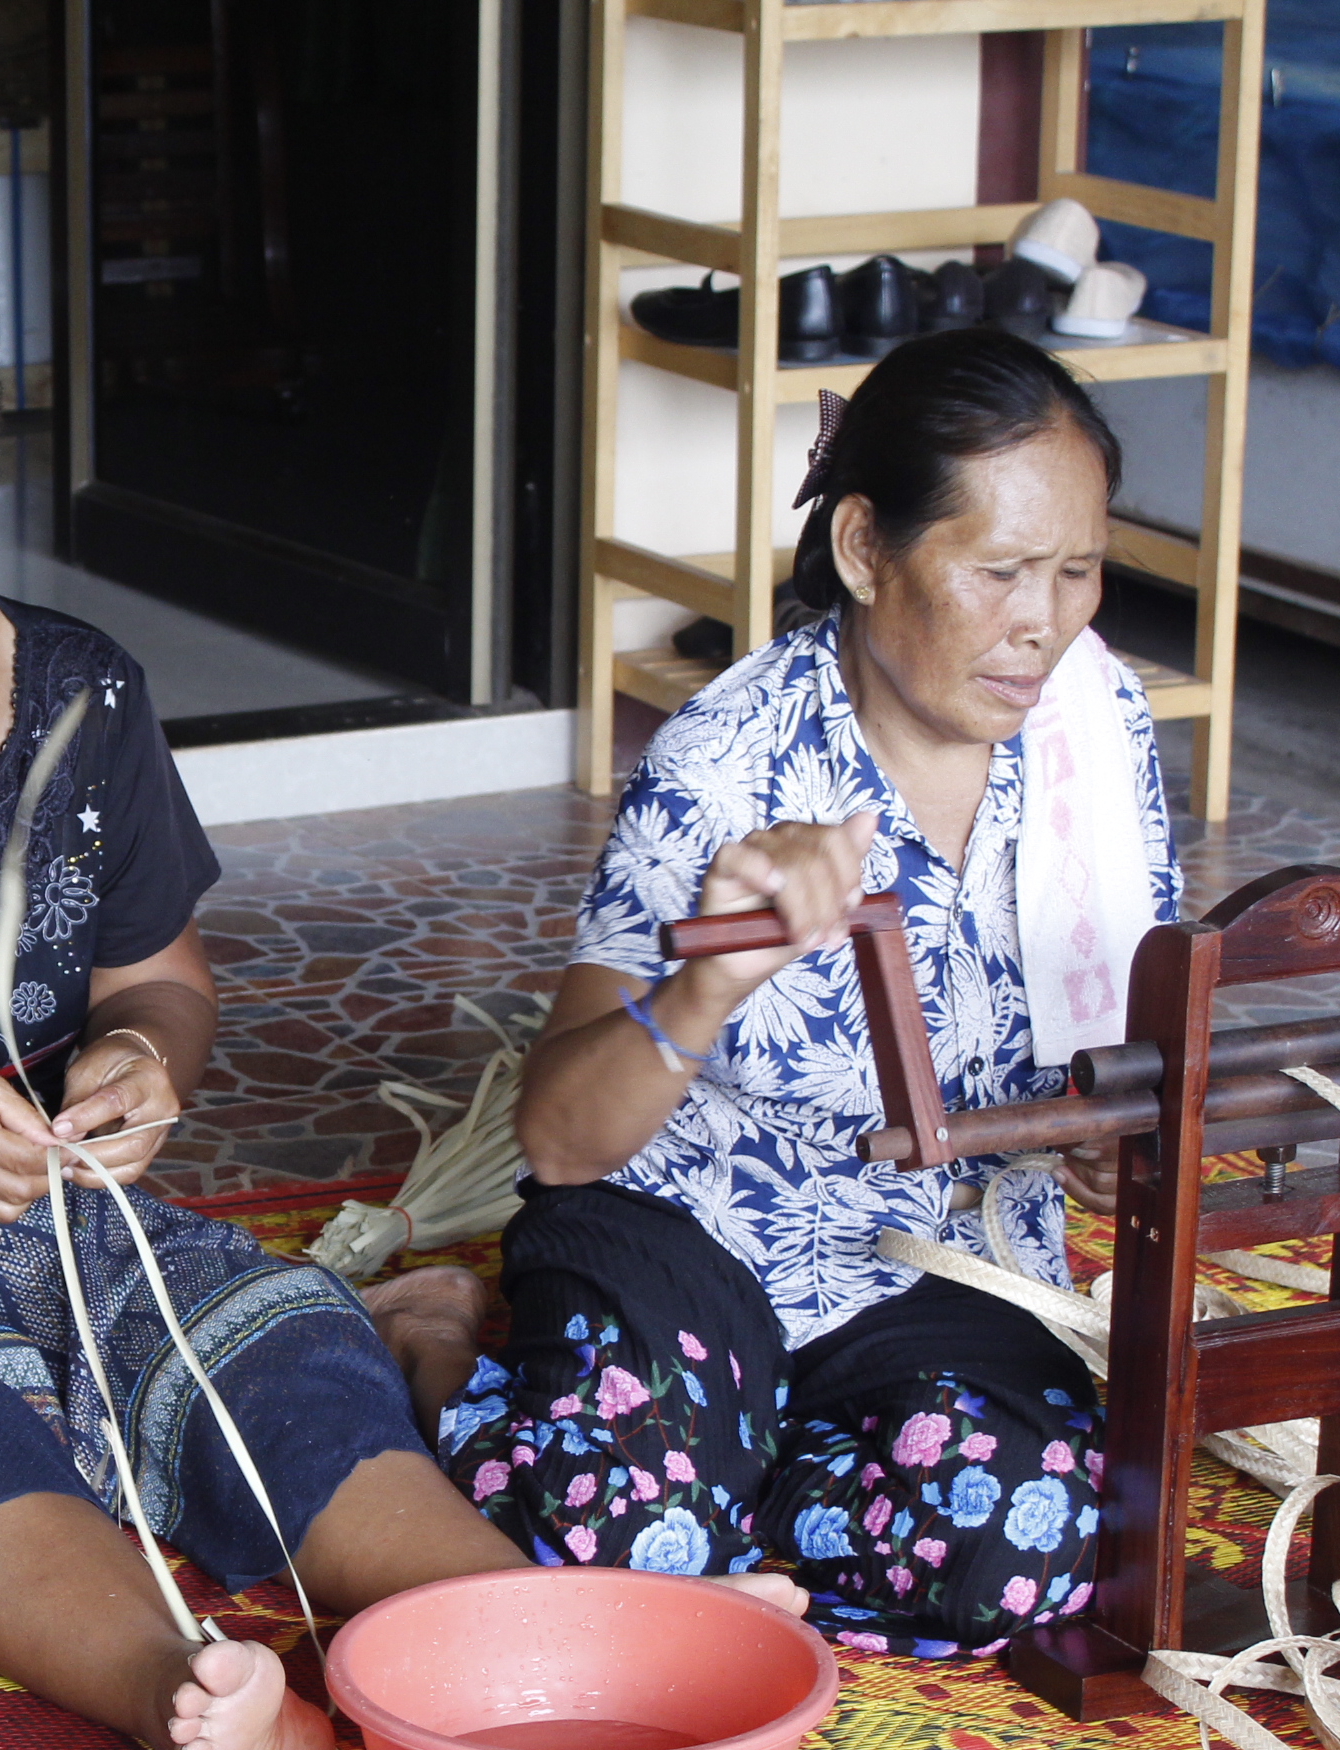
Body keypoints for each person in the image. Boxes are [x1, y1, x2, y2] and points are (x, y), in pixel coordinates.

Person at [0, 209, 799, 1750]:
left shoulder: (87, 691)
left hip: (44, 1199)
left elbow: (160, 976)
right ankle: (191, 1697)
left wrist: (144, 1056)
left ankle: (543, 1638)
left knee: (269, 1343)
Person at [372, 330, 1179, 1657]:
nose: (1047, 620)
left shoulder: (1096, 730)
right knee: (618, 1522)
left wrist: (1102, 1136)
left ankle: (716, 1504)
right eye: (1001, 573)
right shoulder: (732, 763)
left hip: (934, 1251)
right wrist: (712, 976)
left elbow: (1116, 1025)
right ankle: (456, 1359)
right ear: (867, 550)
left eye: (1078, 570)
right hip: (697, 1228)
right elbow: (564, 1137)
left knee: (1020, 1548)